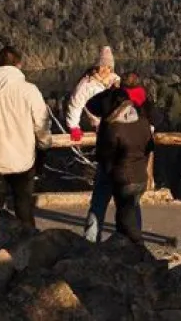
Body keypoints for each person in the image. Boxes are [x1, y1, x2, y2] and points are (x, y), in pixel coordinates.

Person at [0, 46, 52, 228]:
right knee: (23, 205)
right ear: (18, 64)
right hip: (23, 159)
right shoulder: (29, 90)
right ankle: (28, 244)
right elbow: (42, 123)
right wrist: (44, 147)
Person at [85, 77, 155, 245]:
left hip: (114, 171)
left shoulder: (112, 125)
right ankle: (132, 245)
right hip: (137, 172)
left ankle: (90, 242)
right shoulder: (142, 118)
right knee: (131, 209)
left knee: (98, 205)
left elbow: (91, 104)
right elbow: (149, 145)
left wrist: (110, 91)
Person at [65, 46, 121, 242]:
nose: (107, 69)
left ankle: (124, 239)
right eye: (104, 66)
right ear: (98, 66)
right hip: (103, 132)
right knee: (102, 195)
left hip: (117, 136)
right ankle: (91, 238)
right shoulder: (87, 85)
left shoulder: (115, 81)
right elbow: (75, 104)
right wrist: (73, 127)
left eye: (109, 66)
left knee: (117, 196)